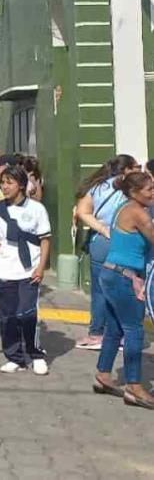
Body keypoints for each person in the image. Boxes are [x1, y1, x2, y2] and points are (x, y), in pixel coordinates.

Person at [92, 172, 154, 407]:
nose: (153, 192)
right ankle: (135, 386)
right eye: (149, 189)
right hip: (124, 278)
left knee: (115, 329)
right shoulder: (138, 213)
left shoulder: (123, 207)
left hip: (111, 273)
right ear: (135, 192)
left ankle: (103, 375)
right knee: (134, 330)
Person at [0, 166, 51, 375]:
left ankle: (35, 353)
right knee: (8, 316)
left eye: (10, 182)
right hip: (5, 270)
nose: (5, 187)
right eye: (3, 182)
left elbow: (45, 240)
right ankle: (14, 356)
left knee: (28, 314)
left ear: (22, 185)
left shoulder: (36, 209)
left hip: (29, 270)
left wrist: (40, 268)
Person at [74, 154, 140, 351]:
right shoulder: (130, 188)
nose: (139, 170)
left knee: (99, 291)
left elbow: (82, 211)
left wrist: (102, 229)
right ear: (126, 169)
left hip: (101, 241)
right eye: (136, 166)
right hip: (126, 241)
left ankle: (96, 334)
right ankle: (122, 334)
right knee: (126, 289)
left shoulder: (97, 187)